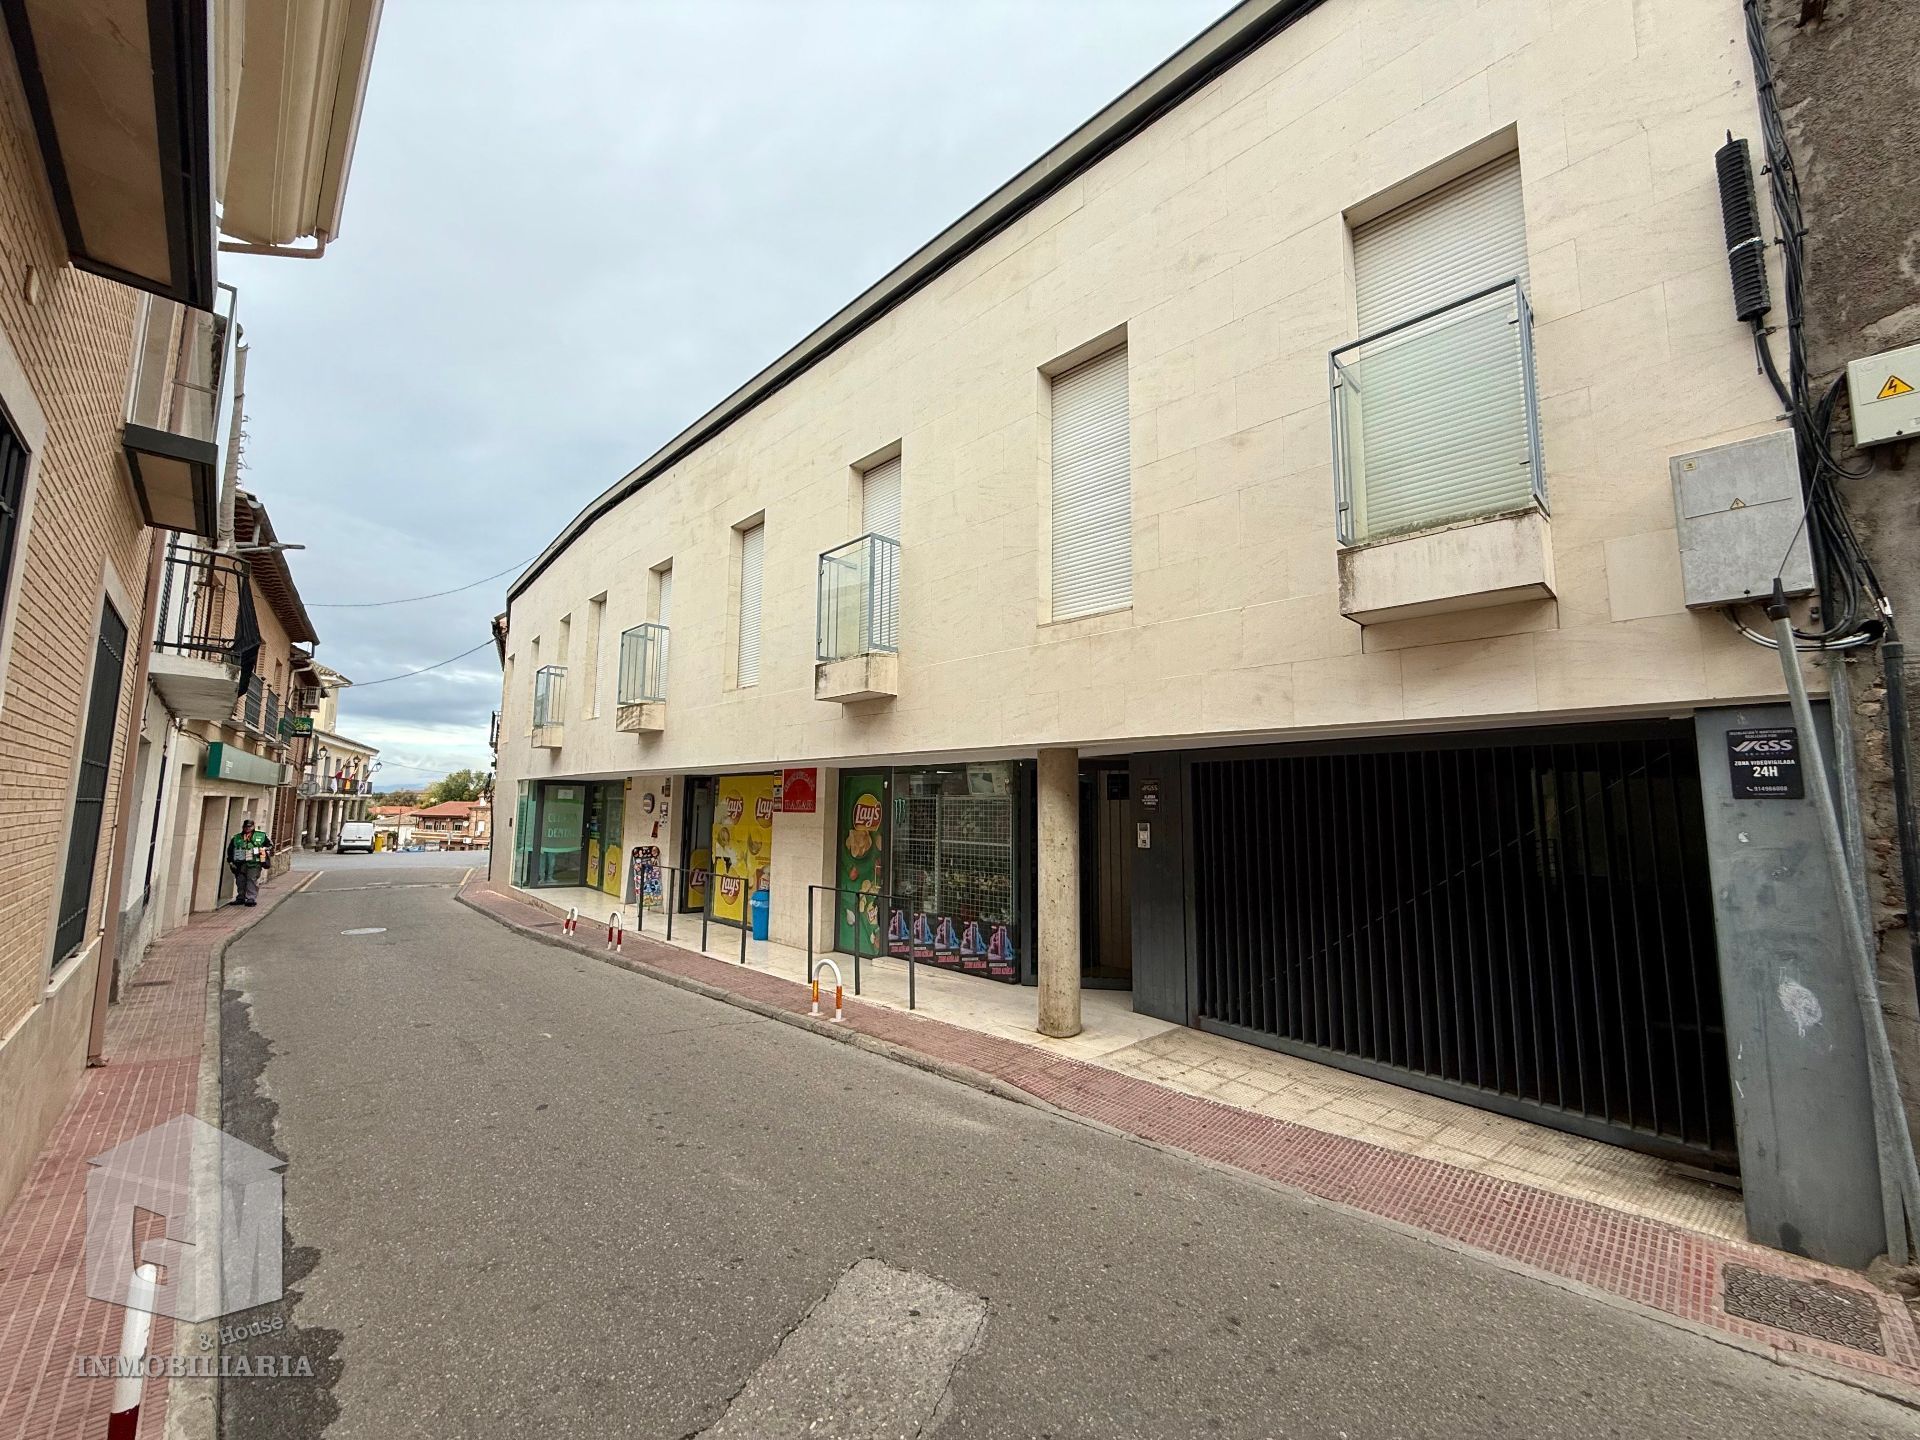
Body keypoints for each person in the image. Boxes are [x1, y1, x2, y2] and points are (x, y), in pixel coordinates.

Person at [227, 818, 270, 907]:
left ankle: (251, 898)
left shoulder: (261, 836)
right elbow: (230, 850)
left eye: (249, 827)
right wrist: (230, 861)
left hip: (254, 862)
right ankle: (240, 898)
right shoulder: (237, 837)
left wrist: (262, 850)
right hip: (240, 862)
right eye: (245, 827)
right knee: (240, 880)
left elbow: (270, 846)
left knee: (252, 880)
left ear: (253, 827)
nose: (247, 828)